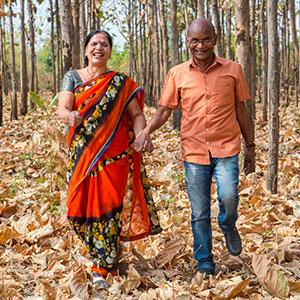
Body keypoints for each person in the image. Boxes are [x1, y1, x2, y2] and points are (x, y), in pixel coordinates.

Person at [134, 18, 255, 275]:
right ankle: (205, 262)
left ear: (215, 40)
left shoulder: (233, 70)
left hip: (226, 148)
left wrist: (251, 146)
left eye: (206, 39)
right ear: (187, 42)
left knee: (229, 197)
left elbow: (241, 109)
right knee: (199, 211)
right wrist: (145, 131)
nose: (200, 45)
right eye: (195, 40)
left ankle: (228, 224)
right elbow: (165, 110)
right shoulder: (177, 73)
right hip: (194, 151)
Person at [57, 30, 161, 288]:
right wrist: (69, 117)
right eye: (94, 43)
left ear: (110, 51)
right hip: (82, 155)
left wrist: (141, 135)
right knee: (76, 211)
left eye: (104, 44)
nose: (99, 47)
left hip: (113, 157)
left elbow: (136, 115)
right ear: (85, 50)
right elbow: (63, 107)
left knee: (107, 211)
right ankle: (104, 255)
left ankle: (103, 267)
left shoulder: (120, 83)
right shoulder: (72, 77)